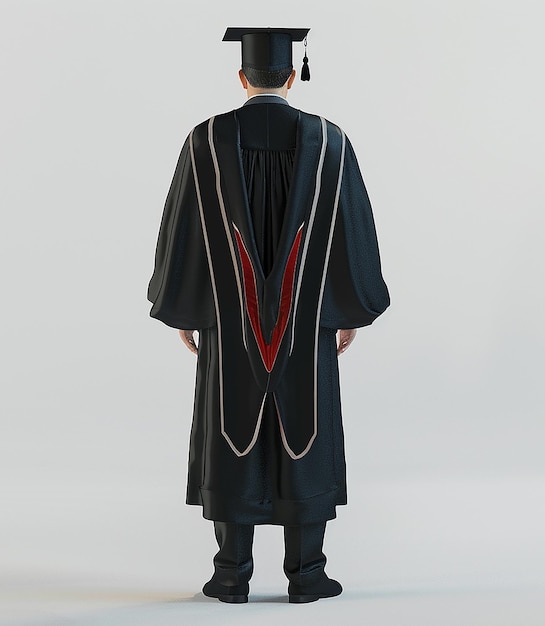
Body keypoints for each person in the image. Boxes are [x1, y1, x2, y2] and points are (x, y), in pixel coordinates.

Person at [147, 27, 390, 604]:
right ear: (289, 76)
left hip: (228, 328)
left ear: (242, 77)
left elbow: (181, 232)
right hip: (309, 327)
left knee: (232, 434)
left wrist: (187, 307)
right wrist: (345, 309)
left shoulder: (204, 142)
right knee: (306, 430)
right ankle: (307, 575)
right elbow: (353, 232)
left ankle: (231, 574)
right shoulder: (330, 142)